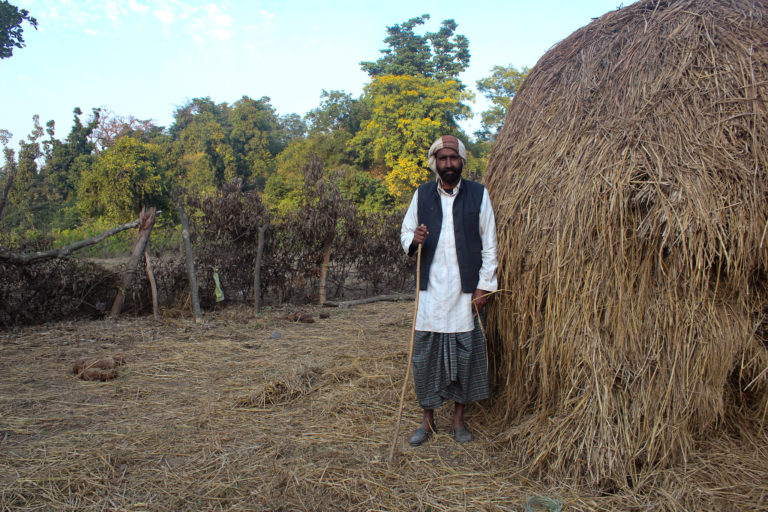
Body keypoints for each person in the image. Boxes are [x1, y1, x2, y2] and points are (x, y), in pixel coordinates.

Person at [400, 135, 498, 445]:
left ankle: (458, 421)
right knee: (425, 357)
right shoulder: (422, 195)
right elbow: (405, 232)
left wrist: (484, 286)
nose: (448, 164)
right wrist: (413, 239)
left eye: (453, 158)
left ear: (462, 161)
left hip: (464, 291)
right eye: (442, 159)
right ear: (435, 163)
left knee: (464, 357)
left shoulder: (479, 196)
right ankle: (427, 421)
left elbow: (490, 245)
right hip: (431, 292)